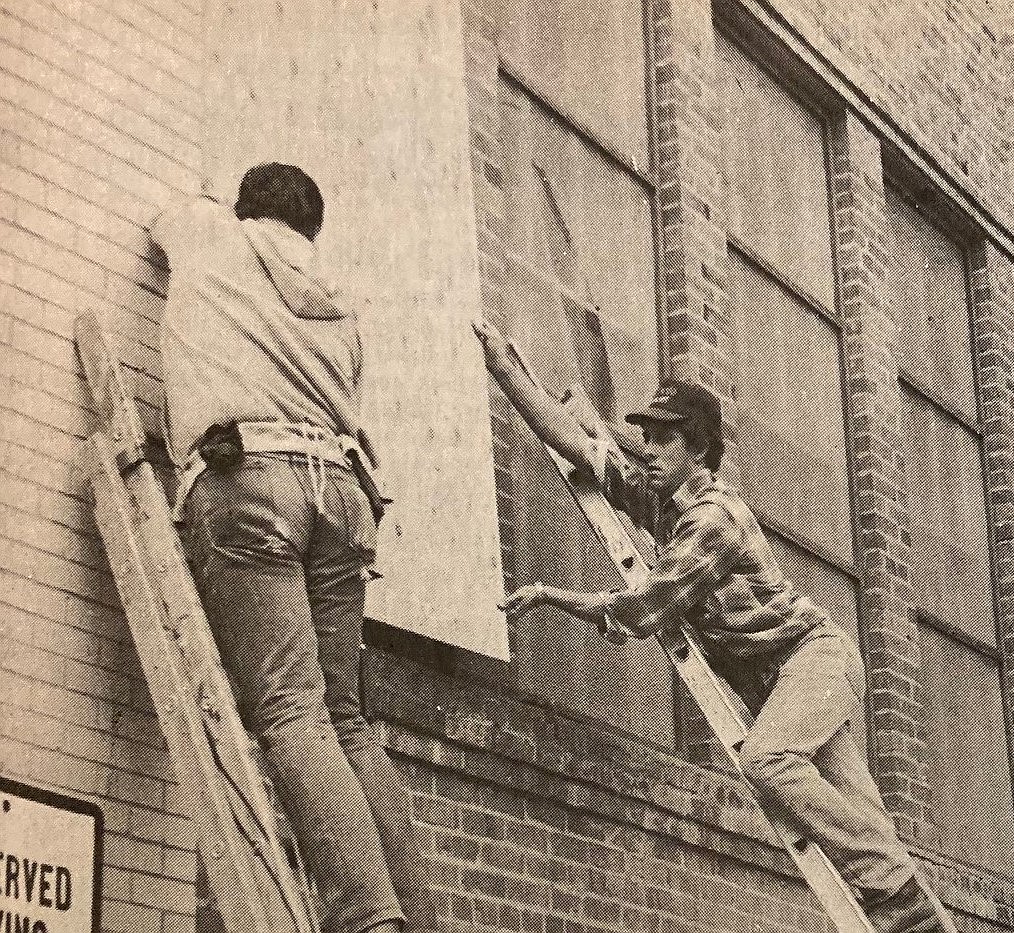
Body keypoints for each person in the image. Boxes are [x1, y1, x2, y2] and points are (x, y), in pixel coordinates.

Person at [474, 319, 953, 933]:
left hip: (810, 658)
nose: (644, 448)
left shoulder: (710, 519)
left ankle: (903, 902)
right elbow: (572, 440)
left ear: (697, 450)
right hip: (779, 675)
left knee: (771, 766)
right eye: (642, 435)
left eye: (661, 438)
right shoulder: (661, 498)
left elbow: (644, 610)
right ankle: (922, 920)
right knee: (861, 821)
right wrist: (504, 364)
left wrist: (553, 597)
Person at [152, 164, 434, 933]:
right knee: (344, 720)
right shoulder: (340, 300)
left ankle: (368, 918)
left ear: (248, 211)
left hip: (253, 480)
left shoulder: (215, 241)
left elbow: (167, 216)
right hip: (342, 493)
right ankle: (414, 916)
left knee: (288, 709)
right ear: (313, 230)